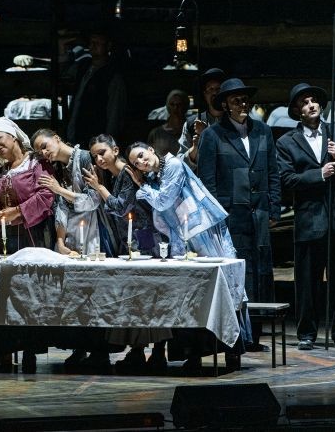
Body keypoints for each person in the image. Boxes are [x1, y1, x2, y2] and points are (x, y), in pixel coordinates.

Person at [127, 141, 243, 371]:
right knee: (189, 294)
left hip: (202, 231)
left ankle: (232, 351)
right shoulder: (154, 177)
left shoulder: (173, 165)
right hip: (182, 236)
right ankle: (193, 354)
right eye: (135, 163)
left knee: (221, 287)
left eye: (141, 155)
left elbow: (164, 201)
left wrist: (142, 186)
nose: (141, 162)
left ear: (151, 150)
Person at [276, 83, 335, 351]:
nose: (311, 105)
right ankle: (307, 333)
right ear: (297, 111)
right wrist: (319, 175)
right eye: (304, 102)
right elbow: (287, 179)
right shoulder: (286, 142)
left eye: (314, 100)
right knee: (307, 282)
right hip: (309, 219)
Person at [197, 78, 281, 351]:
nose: (243, 104)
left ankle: (255, 333)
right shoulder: (213, 135)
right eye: (236, 100)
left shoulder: (262, 132)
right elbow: (207, 181)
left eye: (245, 99)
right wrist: (216, 217)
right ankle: (238, 335)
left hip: (259, 213)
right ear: (225, 105)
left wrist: (274, 208)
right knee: (238, 273)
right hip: (231, 216)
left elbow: (273, 171)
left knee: (261, 271)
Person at [31, 128, 117, 371]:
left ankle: (100, 350)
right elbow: (60, 206)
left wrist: (59, 190)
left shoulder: (86, 158)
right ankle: (80, 347)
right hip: (71, 234)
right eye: (39, 151)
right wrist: (60, 241)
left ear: (57, 138)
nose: (43, 152)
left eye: (45, 145)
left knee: (96, 293)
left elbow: (92, 200)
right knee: (73, 294)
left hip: (94, 231)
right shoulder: (58, 168)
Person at [83, 134, 169, 374]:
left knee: (149, 297)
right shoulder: (116, 175)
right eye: (95, 156)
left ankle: (155, 352)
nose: (99, 159)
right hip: (132, 241)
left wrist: (99, 188)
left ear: (115, 149)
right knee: (137, 298)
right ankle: (139, 350)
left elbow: (121, 208)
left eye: (102, 153)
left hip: (145, 241)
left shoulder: (126, 174)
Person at [0, 118, 56, 373]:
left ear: (13, 136)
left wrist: (17, 212)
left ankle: (29, 351)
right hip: (6, 239)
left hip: (32, 235)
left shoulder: (36, 163)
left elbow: (47, 195)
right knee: (4, 293)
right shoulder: (2, 169)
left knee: (30, 293)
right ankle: (4, 350)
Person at [65, 31, 127, 147]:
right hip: (76, 131)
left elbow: (114, 112)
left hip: (96, 137)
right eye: (91, 42)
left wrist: (108, 142)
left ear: (108, 46)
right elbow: (65, 74)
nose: (92, 46)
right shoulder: (83, 67)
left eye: (98, 43)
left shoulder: (112, 76)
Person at [178, 68, 226, 171]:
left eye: (218, 89)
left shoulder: (235, 121)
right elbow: (180, 164)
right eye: (210, 89)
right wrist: (195, 148)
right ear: (205, 94)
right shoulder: (192, 123)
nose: (215, 93)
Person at [147, 89, 190, 158]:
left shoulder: (191, 130)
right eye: (172, 104)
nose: (175, 108)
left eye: (179, 104)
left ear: (185, 106)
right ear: (168, 105)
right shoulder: (156, 134)